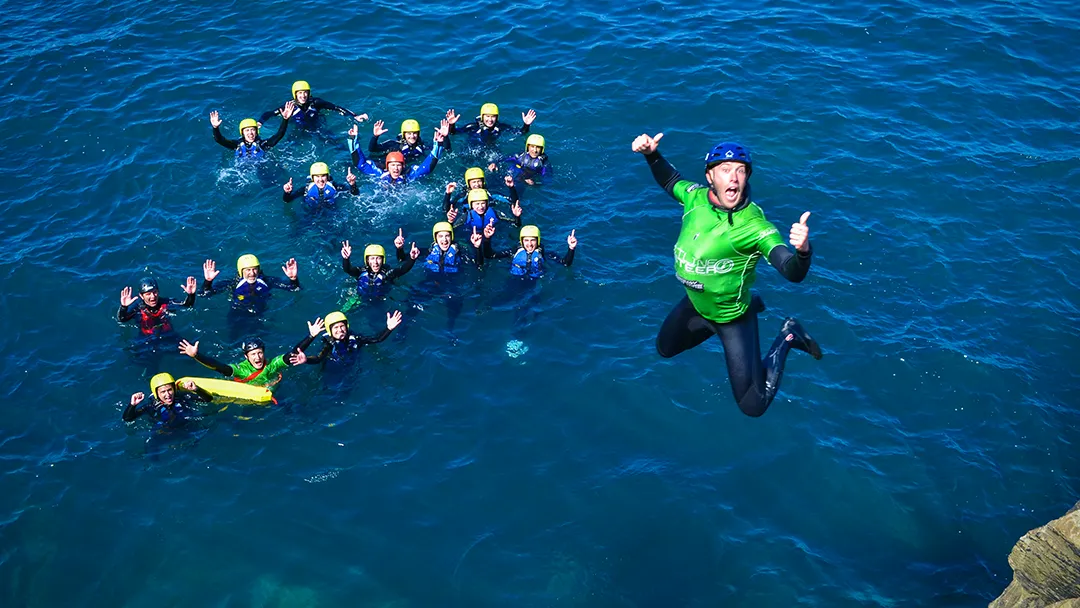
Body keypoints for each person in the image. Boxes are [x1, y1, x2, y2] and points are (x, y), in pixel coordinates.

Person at [632, 132, 822, 418]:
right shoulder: (695, 198)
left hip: (732, 317)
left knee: (753, 406)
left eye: (741, 171)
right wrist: (651, 155)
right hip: (696, 304)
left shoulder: (755, 227)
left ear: (747, 178)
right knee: (665, 349)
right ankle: (745, 305)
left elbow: (790, 270)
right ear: (710, 176)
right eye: (725, 170)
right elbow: (670, 181)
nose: (733, 177)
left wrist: (803, 252)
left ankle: (789, 336)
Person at [178, 335, 311, 391]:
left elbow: (292, 354)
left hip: (274, 395)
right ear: (246, 357)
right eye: (253, 354)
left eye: (260, 353)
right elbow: (219, 367)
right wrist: (197, 356)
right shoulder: (241, 370)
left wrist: (311, 336)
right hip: (249, 397)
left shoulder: (272, 365)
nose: (257, 357)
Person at [347, 122, 447, 185]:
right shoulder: (379, 173)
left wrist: (439, 144)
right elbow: (361, 163)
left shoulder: (409, 175)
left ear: (403, 166)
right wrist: (352, 139)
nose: (395, 169)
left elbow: (427, 168)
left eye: (398, 165)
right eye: (393, 166)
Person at [300, 310, 402, 369]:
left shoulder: (356, 338)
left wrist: (389, 328)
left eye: (342, 326)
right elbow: (319, 358)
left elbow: (377, 339)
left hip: (351, 366)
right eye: (335, 327)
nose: (340, 330)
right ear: (329, 330)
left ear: (347, 326)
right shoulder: (329, 343)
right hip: (332, 368)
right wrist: (306, 360)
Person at [200, 255, 300, 313]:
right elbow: (205, 294)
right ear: (241, 271)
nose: (252, 273)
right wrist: (208, 281)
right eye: (248, 270)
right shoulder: (232, 284)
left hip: (262, 312)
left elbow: (294, 289)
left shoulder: (267, 281)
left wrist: (293, 279)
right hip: (238, 313)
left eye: (254, 269)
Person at [341, 229, 420, 299]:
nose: (375, 262)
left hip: (381, 298)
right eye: (372, 258)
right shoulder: (361, 271)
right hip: (360, 298)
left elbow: (403, 270)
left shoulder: (387, 272)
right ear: (367, 260)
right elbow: (347, 269)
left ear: (383, 260)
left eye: (378, 258)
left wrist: (412, 259)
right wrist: (346, 259)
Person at [259, 80, 368, 129]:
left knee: (332, 141)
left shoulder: (316, 102)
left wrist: (354, 116)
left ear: (309, 93)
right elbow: (269, 113)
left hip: (317, 126)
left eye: (305, 92)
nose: (303, 95)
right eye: (300, 93)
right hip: (298, 128)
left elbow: (335, 108)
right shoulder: (290, 106)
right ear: (295, 94)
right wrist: (260, 122)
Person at [209, 102, 296, 160]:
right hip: (240, 173)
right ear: (242, 133)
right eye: (247, 130)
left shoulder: (263, 144)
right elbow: (219, 140)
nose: (250, 133)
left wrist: (285, 119)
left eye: (252, 130)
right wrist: (215, 128)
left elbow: (279, 135)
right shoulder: (236, 145)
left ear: (256, 131)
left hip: (261, 168)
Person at [483, 225, 576, 278]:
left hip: (534, 281)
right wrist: (487, 239)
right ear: (522, 241)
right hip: (515, 279)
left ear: (538, 241)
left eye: (533, 240)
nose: (529, 244)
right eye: (526, 240)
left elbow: (565, 263)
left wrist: (571, 248)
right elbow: (490, 255)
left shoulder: (544, 254)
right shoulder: (513, 252)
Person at [118, 276, 197, 337]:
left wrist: (191, 295)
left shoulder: (166, 302)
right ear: (141, 296)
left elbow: (187, 306)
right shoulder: (137, 308)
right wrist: (123, 307)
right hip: (146, 339)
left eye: (155, 292)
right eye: (148, 294)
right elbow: (122, 319)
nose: (153, 296)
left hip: (168, 335)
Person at [123, 373, 213, 426]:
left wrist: (196, 389)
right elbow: (128, 419)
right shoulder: (151, 406)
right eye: (163, 392)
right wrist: (132, 405)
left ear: (174, 389)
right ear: (156, 394)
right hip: (165, 431)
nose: (168, 394)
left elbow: (208, 400)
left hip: (187, 425)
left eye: (170, 390)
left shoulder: (182, 397)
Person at [445, 185, 522, 235]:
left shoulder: (494, 213)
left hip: (493, 234)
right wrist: (451, 222)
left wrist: (517, 217)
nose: (481, 207)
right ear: (471, 206)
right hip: (473, 235)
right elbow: (451, 231)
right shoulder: (466, 216)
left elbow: (516, 225)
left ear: (487, 203)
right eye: (477, 204)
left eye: (483, 203)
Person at [282, 162, 359, 210]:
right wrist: (287, 193)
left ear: (328, 177)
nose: (320, 179)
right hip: (311, 211)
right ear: (312, 178)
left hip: (331, 210)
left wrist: (352, 184)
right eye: (317, 176)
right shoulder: (306, 189)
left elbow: (355, 194)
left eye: (323, 176)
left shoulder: (335, 186)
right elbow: (287, 200)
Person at [445, 105, 536, 145]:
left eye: (493, 117)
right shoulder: (472, 127)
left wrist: (526, 125)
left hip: (491, 149)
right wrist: (452, 124)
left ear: (497, 118)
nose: (490, 120)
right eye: (487, 116)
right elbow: (454, 133)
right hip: (473, 147)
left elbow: (520, 132)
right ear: (482, 116)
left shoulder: (500, 127)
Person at [368, 118, 449, 161]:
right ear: (404, 134)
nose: (412, 136)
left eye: (414, 133)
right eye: (409, 133)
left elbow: (446, 150)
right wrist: (375, 136)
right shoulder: (394, 144)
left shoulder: (422, 146)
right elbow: (372, 149)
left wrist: (445, 137)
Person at [444, 167, 513, 208]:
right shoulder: (463, 196)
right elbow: (446, 209)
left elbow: (512, 202)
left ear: (483, 182)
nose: (477, 184)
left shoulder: (490, 193)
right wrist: (448, 194)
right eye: (474, 182)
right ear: (468, 183)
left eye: (479, 181)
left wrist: (511, 187)